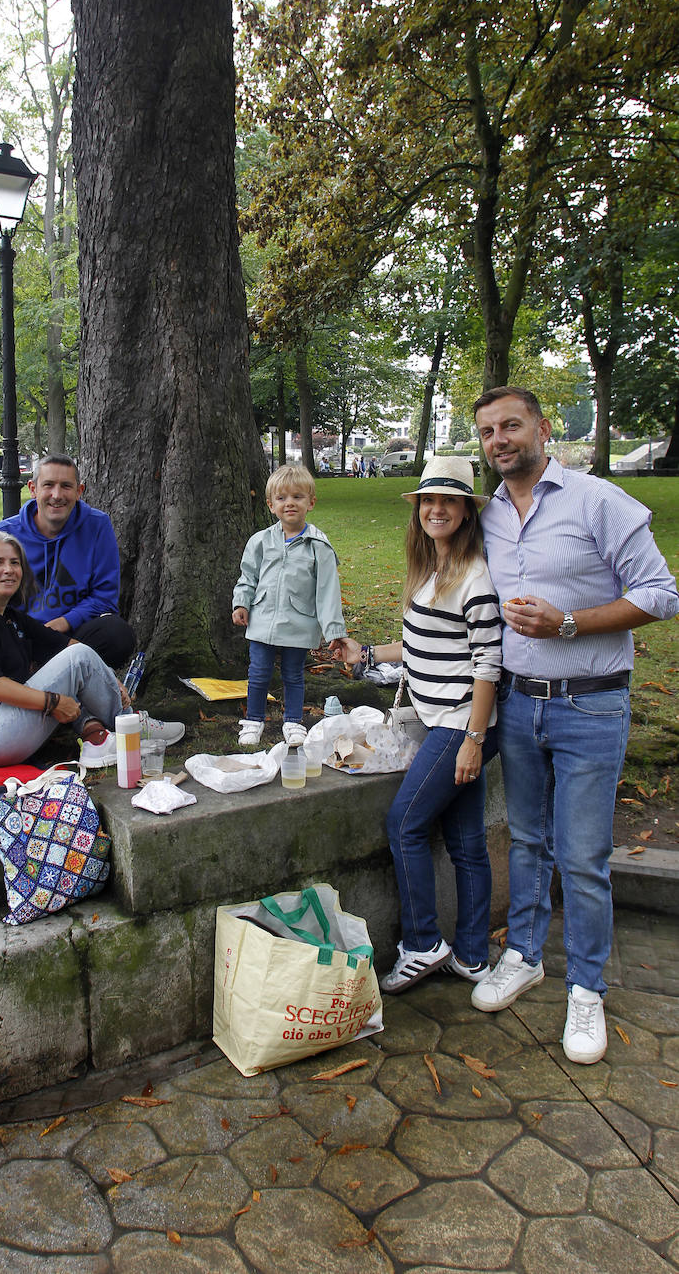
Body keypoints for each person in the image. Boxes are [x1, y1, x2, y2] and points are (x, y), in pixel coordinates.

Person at [470, 386, 679, 1064]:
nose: (499, 439)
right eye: (487, 432)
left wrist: (570, 623)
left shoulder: (597, 500)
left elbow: (660, 592)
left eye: (511, 425)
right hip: (519, 703)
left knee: (583, 856)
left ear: (542, 428)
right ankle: (526, 955)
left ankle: (586, 988)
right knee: (527, 840)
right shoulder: (491, 514)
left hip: (591, 703)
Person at [335, 457, 503, 992]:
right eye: (429, 501)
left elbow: (488, 666)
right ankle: (473, 957)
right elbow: (419, 646)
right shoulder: (431, 569)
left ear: (466, 512)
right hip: (441, 721)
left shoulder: (474, 579)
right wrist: (366, 653)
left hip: (460, 725)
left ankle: (423, 943)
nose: (436, 510)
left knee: (404, 824)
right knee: (466, 842)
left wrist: (473, 741)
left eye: (448, 501)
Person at [0, 532, 182, 770]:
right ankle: (130, 723)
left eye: (14, 562)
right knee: (78, 660)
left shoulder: (10, 617)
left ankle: (97, 739)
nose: (8, 569)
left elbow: (64, 645)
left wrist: (109, 679)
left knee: (77, 657)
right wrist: (52, 702)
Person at [232, 465, 348, 747]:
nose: (290, 503)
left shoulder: (318, 546)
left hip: (299, 624)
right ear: (271, 505)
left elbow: (328, 591)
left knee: (293, 675)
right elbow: (248, 576)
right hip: (262, 623)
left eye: (297, 497)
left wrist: (333, 630)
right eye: (282, 498)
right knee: (258, 673)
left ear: (311, 502)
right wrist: (241, 603)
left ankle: (294, 721)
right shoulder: (260, 541)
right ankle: (254, 720)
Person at [0, 455, 135, 668]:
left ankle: (66, 680)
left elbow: (105, 597)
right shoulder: (5, 534)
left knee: (117, 634)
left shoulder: (97, 525)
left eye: (66, 486)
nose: (57, 495)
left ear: (79, 491)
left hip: (72, 634)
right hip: (22, 635)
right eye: (48, 485)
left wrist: (63, 623)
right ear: (33, 489)